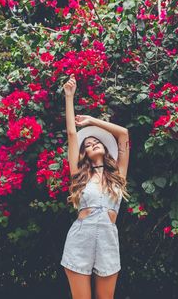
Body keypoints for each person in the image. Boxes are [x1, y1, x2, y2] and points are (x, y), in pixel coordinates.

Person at [60, 73, 130, 299]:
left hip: (109, 240)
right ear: (85, 154)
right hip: (81, 238)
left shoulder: (117, 174)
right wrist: (69, 96)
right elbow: (72, 134)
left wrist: (91, 121)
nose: (93, 144)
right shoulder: (79, 174)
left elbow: (123, 134)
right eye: (88, 144)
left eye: (96, 141)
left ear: (104, 148)